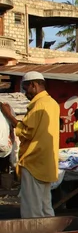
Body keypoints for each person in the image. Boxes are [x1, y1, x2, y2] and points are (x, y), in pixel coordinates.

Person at [0, 71, 59, 218]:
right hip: (46, 163)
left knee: (32, 210)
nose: (25, 93)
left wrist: (8, 115)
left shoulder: (39, 105)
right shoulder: (52, 103)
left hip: (34, 162)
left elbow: (26, 131)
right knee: (45, 207)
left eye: (26, 88)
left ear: (33, 85)